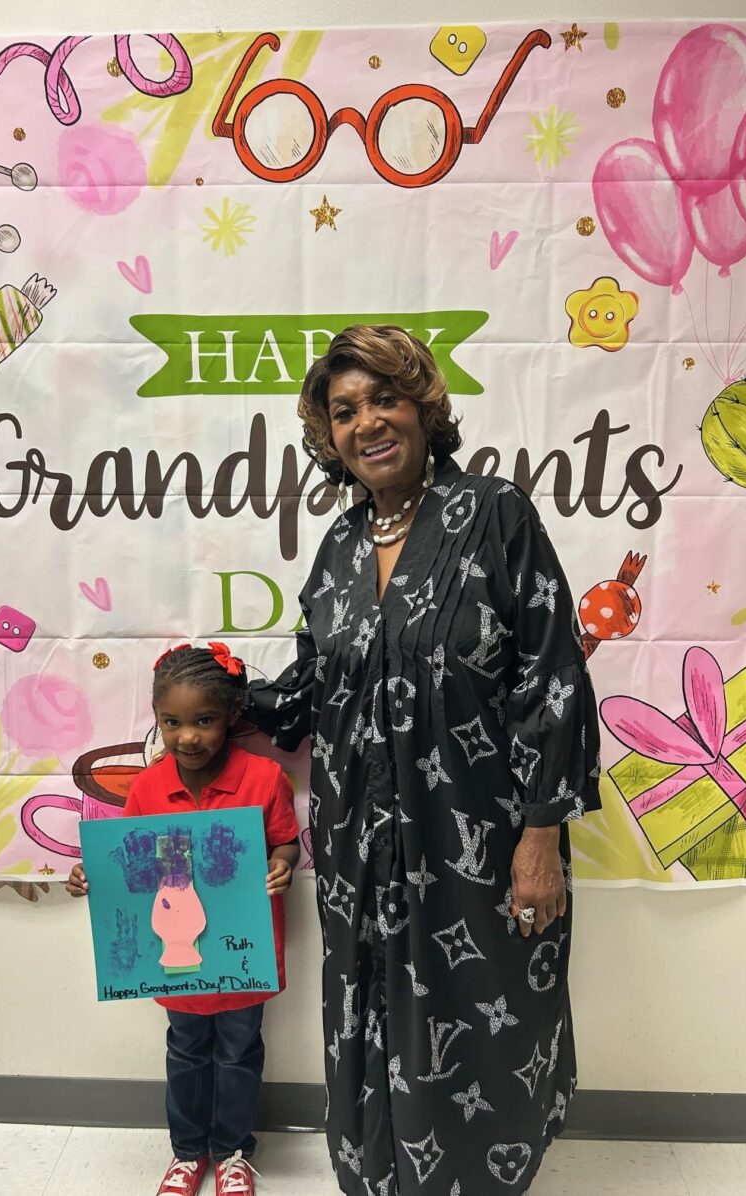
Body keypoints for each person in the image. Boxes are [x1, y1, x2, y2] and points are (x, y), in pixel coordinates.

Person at [247, 326, 602, 1195]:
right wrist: (214, 693)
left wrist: (539, 838)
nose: (366, 422)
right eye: (344, 411)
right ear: (327, 436)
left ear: (421, 408)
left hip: (475, 842)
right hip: (357, 849)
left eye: (383, 399)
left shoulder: (493, 513)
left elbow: (551, 675)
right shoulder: (335, 550)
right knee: (365, 1003)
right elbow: (310, 689)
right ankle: (378, 1174)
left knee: (488, 1017)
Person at [67, 642, 300, 1196]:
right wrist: (90, 874)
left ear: (232, 717)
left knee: (241, 1050)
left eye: (204, 721)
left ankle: (235, 1152)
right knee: (186, 1050)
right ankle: (188, 1152)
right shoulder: (148, 787)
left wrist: (280, 865)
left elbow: (287, 843)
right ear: (156, 719)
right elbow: (129, 860)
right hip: (177, 960)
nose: (187, 736)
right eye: (171, 722)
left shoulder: (263, 779)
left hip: (243, 959)